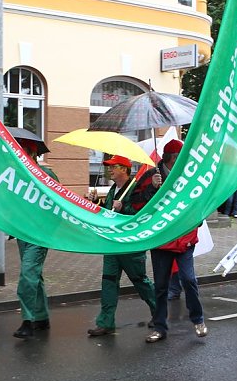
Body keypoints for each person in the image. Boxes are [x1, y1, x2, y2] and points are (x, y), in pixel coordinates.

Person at [133, 139, 208, 343]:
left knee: (189, 280)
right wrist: (152, 188)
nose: (182, 161)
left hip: (184, 240)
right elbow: (136, 204)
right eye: (178, 157)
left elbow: (198, 202)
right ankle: (160, 327)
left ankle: (198, 319)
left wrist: (197, 220)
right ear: (171, 158)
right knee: (161, 286)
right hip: (161, 241)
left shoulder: (190, 175)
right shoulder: (151, 176)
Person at [86, 155, 158, 336]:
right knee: (108, 282)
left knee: (140, 282)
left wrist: (123, 208)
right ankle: (105, 322)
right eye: (109, 167)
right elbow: (108, 212)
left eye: (113, 167)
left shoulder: (135, 188)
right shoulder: (113, 189)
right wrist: (96, 202)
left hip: (130, 247)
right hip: (112, 245)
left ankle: (159, 312)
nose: (109, 170)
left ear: (124, 169)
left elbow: (141, 214)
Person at [13, 138, 58, 339]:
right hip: (23, 234)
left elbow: (60, 203)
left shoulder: (47, 175)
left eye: (22, 152)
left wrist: (49, 231)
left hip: (39, 235)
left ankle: (27, 321)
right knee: (34, 275)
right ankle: (41, 317)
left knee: (27, 274)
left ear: (31, 154)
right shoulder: (17, 175)